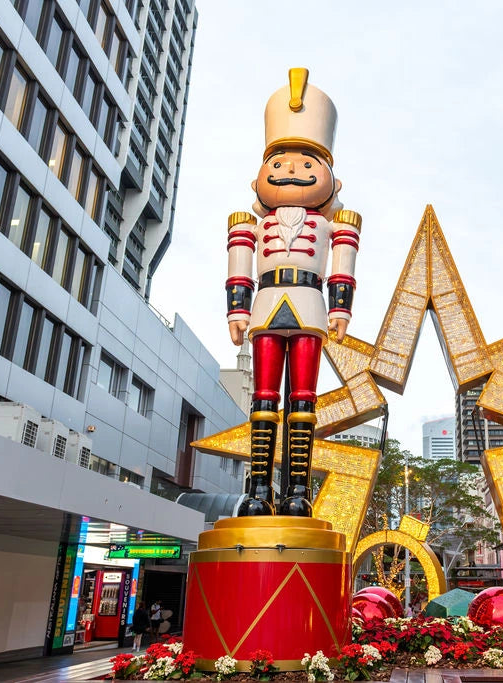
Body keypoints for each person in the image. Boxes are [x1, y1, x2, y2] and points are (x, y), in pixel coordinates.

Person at [227, 67, 362, 517]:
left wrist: (341, 309)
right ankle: (259, 487)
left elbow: (343, 268)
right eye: (279, 163)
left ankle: (298, 489)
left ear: (332, 182)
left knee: (303, 398)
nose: (291, 170)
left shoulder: (335, 225)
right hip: (267, 303)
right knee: (264, 397)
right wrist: (236, 311)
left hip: (309, 303)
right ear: (257, 180)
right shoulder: (248, 225)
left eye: (307, 165)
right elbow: (239, 269)